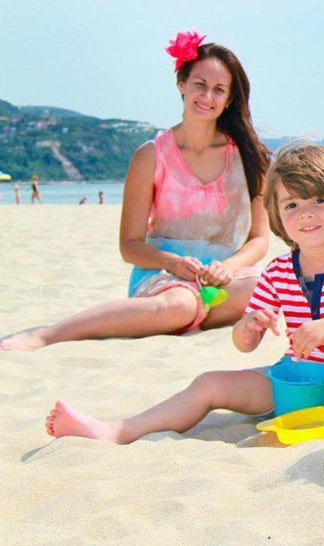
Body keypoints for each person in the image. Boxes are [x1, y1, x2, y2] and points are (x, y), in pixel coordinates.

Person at [45, 142, 324, 450]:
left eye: (319, 200)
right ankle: (120, 430)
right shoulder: (278, 271)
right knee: (209, 383)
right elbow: (243, 345)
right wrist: (250, 326)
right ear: (276, 217)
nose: (306, 214)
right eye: (292, 205)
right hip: (294, 385)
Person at [1, 31, 271, 351]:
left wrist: (228, 267)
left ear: (229, 99)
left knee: (263, 288)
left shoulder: (249, 156)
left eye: (218, 89)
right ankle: (49, 334)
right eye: (200, 84)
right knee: (181, 304)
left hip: (226, 279)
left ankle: (183, 315)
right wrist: (173, 263)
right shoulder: (151, 155)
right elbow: (129, 245)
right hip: (164, 278)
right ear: (181, 84)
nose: (207, 96)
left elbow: (259, 238)